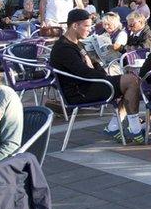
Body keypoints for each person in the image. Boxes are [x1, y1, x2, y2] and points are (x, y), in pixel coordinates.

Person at [49, 9, 144, 143]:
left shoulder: (75, 43)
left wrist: (102, 72)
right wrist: (105, 77)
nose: (90, 30)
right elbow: (84, 72)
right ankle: (135, 130)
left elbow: (93, 62)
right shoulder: (64, 48)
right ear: (75, 25)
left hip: (89, 84)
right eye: (87, 26)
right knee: (131, 81)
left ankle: (114, 127)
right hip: (80, 92)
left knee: (130, 84)